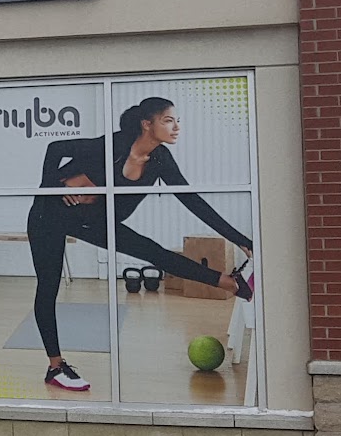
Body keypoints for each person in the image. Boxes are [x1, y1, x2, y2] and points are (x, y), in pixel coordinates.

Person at [28, 97, 253, 391]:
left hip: (93, 219)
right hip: (49, 215)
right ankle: (55, 367)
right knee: (48, 287)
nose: (176, 127)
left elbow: (192, 201)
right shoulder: (114, 145)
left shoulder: (160, 160)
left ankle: (232, 284)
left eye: (177, 121)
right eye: (168, 121)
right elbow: (55, 148)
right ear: (147, 124)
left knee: (151, 251)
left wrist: (240, 239)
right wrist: (51, 189)